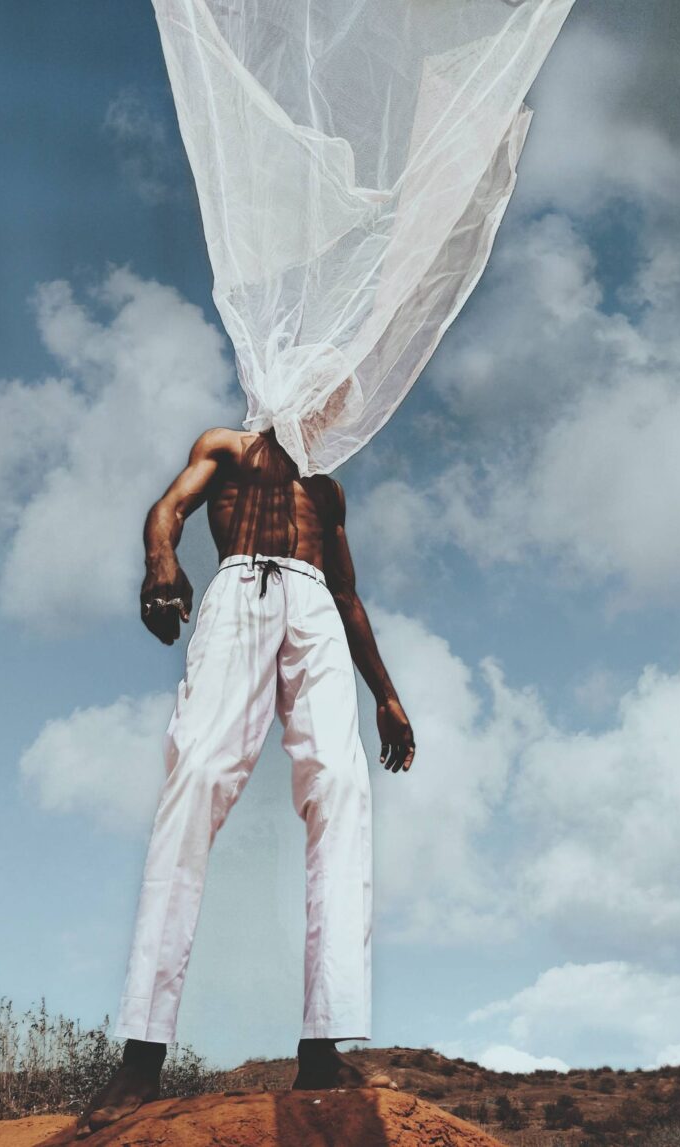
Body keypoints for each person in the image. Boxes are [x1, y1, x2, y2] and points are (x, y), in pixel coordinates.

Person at [73, 425, 415, 1136]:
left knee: (343, 786)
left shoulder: (326, 485)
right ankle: (141, 1053)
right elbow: (167, 507)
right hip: (241, 590)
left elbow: (347, 591)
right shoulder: (226, 445)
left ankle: (323, 1047)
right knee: (195, 776)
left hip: (315, 606)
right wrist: (160, 557)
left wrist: (385, 694)